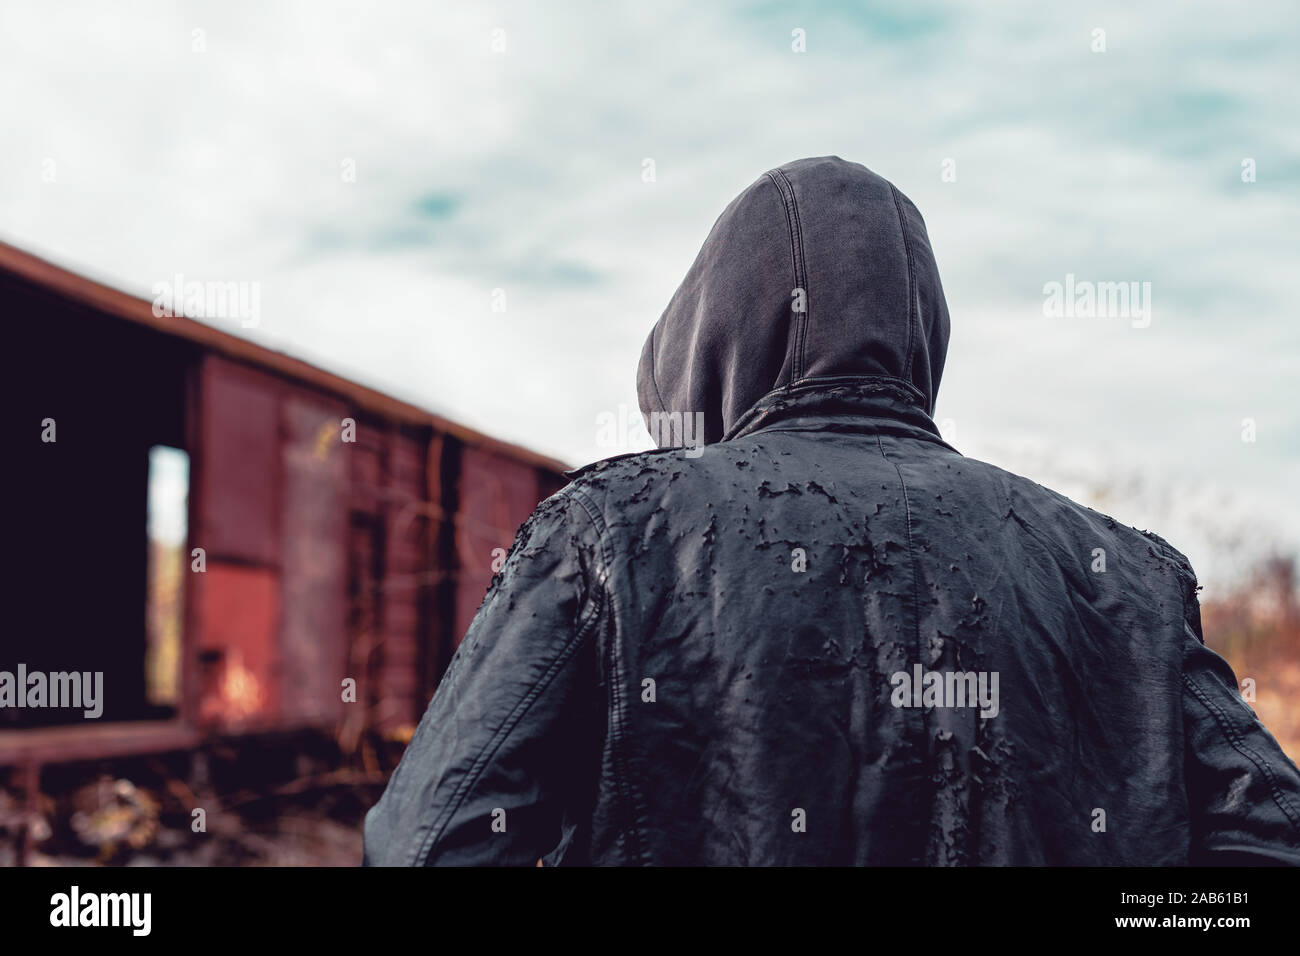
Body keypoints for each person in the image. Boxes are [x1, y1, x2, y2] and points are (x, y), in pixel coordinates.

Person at [363, 156, 1300, 866]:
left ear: (710, 341)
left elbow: (428, 843)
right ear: (925, 333)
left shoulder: (612, 530)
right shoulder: (1124, 574)